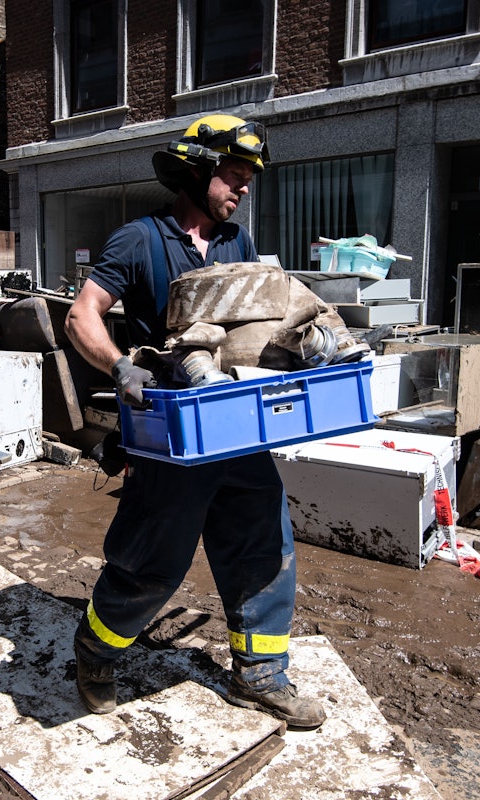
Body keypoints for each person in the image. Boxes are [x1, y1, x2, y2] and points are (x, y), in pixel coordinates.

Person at [63, 114, 326, 730]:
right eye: (233, 175)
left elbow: (253, 331)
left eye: (247, 179)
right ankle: (97, 654)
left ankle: (259, 675)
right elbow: (82, 317)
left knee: (263, 544)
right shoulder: (139, 239)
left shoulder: (238, 244)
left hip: (236, 424)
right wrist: (123, 367)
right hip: (173, 433)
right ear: (198, 170)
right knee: (154, 558)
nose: (242, 189)